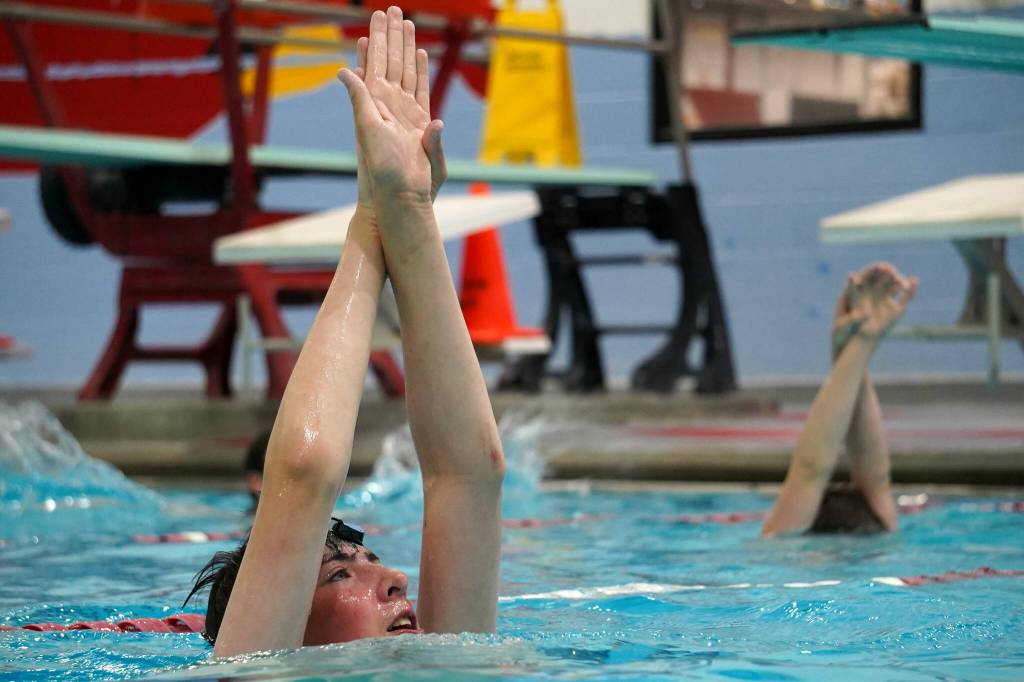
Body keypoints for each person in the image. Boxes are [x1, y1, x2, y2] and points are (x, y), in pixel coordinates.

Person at [185, 7, 505, 656]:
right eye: (338, 574)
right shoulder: (253, 672)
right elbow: (302, 478)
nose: (394, 581)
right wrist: (372, 214)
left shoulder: (445, 667)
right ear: (278, 627)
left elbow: (469, 474)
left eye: (364, 563)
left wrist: (408, 210)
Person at [761, 262, 918, 536]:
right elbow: (875, 480)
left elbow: (810, 472)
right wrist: (859, 341)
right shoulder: (883, 530)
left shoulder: (784, 536)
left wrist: (859, 342)